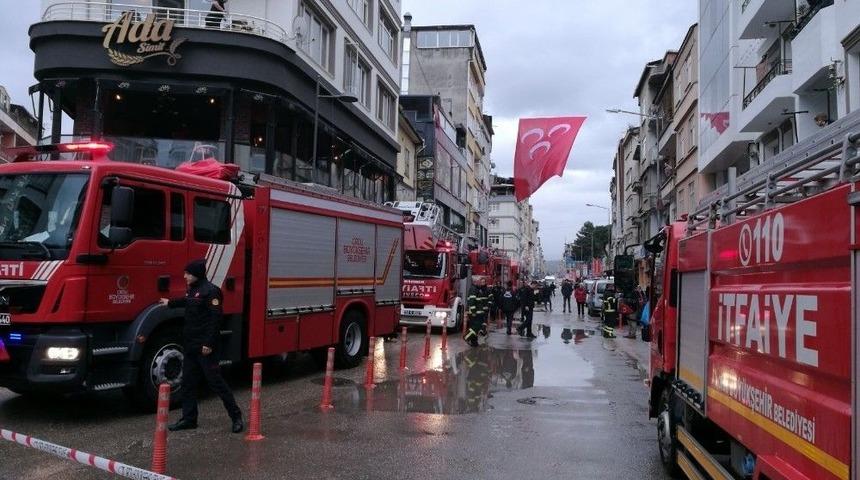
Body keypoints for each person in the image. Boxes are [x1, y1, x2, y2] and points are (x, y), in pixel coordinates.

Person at [161, 260, 243, 433]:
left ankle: (236, 417)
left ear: (196, 274)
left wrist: (208, 343)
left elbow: (215, 320)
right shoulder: (193, 290)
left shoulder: (212, 292)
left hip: (205, 348)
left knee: (216, 383)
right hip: (191, 346)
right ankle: (189, 418)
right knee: (188, 383)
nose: (184, 276)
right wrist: (170, 303)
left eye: (187, 273)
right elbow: (187, 301)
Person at [465, 276, 492, 347]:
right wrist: (473, 312)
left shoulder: (476, 289)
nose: (480, 283)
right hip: (475, 313)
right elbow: (472, 302)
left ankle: (474, 342)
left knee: (475, 326)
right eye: (479, 282)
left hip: (478, 312)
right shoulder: (474, 289)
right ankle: (466, 336)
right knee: (477, 326)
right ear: (475, 282)